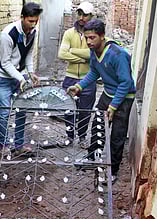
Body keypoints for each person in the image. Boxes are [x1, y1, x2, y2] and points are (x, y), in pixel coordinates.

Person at [67, 19, 136, 183]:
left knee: (117, 136)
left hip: (124, 98)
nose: (89, 42)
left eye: (92, 38)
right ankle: (92, 158)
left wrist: (113, 106)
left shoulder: (118, 54)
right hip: (107, 94)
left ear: (102, 36)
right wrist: (79, 86)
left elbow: (125, 82)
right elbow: (94, 72)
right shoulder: (93, 51)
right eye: (87, 38)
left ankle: (112, 170)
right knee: (97, 126)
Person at [0, 2, 42, 156]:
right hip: (3, 77)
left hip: (19, 76)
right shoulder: (8, 34)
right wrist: (21, 78)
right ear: (22, 18)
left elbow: (28, 55)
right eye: (30, 21)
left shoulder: (33, 32)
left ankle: (19, 145)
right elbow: (5, 62)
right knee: (5, 112)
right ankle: (4, 147)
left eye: (36, 21)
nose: (33, 24)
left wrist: (31, 72)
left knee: (22, 110)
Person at [58, 2, 96, 146]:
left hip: (88, 78)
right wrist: (82, 58)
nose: (81, 17)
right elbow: (61, 54)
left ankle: (82, 137)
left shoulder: (93, 35)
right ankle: (69, 137)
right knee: (68, 109)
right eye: (80, 14)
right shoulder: (69, 33)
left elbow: (91, 54)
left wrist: (73, 51)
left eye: (85, 15)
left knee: (85, 111)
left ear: (91, 16)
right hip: (71, 77)